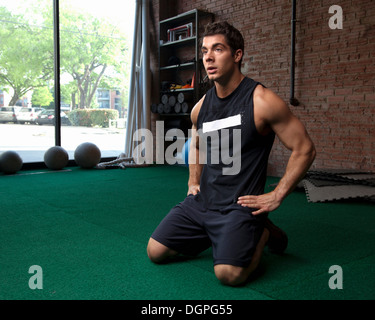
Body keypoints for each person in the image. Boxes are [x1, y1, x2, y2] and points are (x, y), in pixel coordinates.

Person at [147, 21, 316, 286]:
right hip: (204, 202)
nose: (209, 58)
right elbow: (197, 144)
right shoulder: (201, 107)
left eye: (218, 49)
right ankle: (219, 233)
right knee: (155, 252)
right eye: (204, 51)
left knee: (229, 275)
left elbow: (304, 148)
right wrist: (193, 182)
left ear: (237, 55)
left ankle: (260, 232)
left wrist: (276, 195)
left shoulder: (261, 101)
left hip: (239, 206)